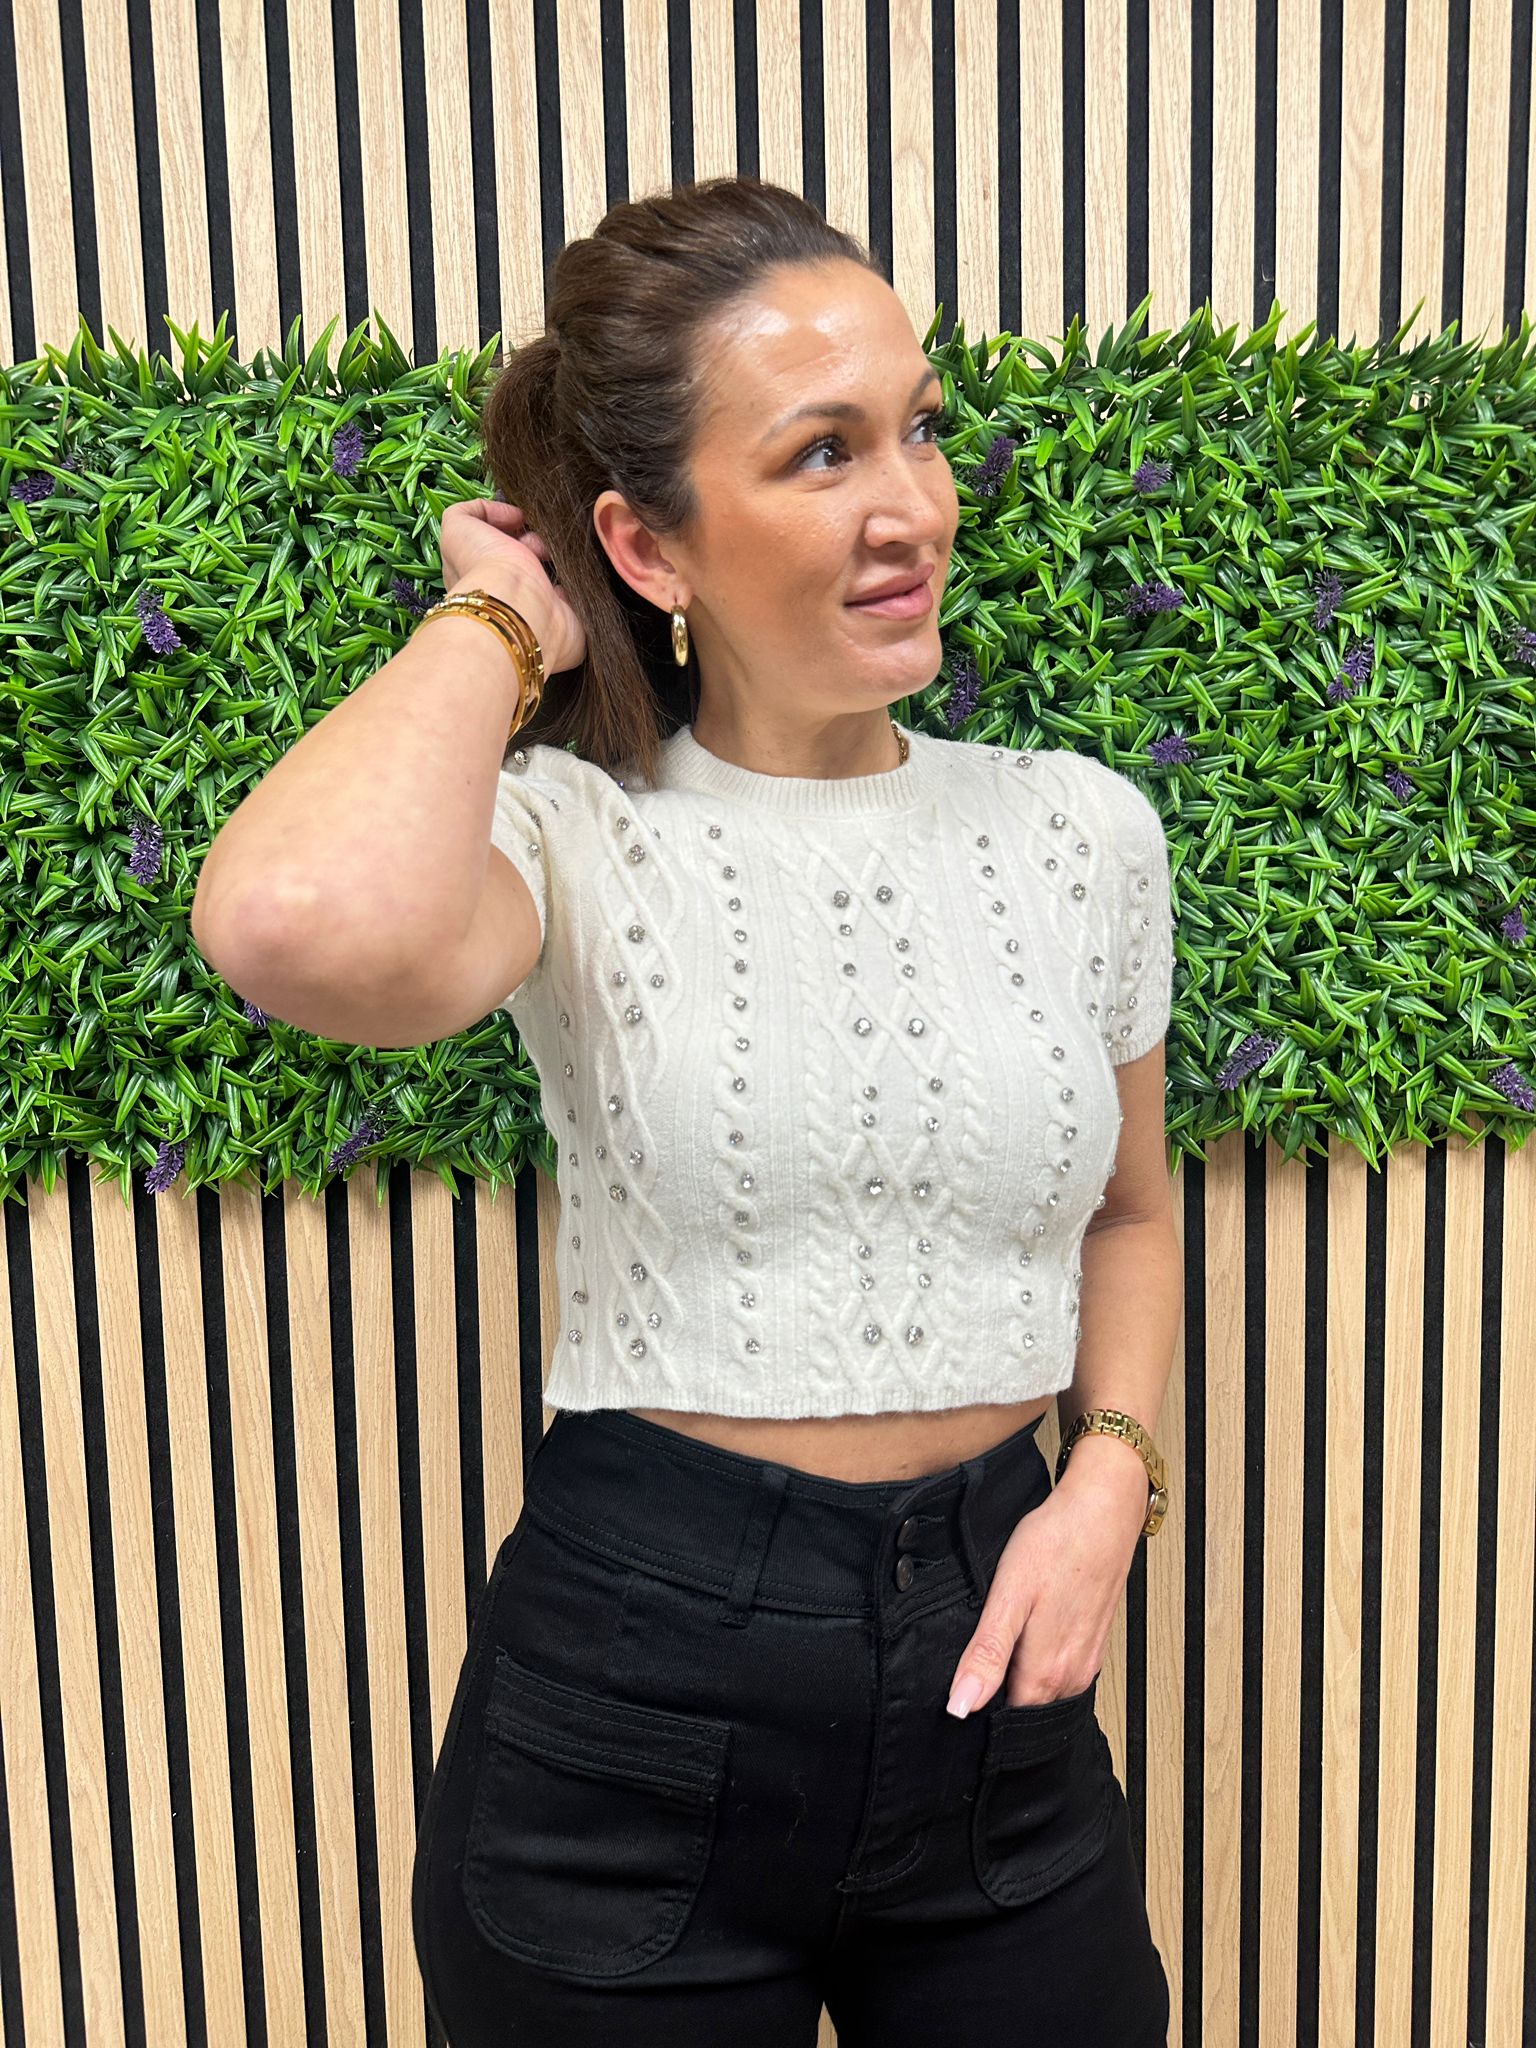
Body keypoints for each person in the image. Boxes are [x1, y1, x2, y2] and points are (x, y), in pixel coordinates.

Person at [192, 174, 1179, 2046]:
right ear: (651, 546)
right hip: (632, 1709)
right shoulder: (572, 837)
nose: (914, 507)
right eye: (823, 453)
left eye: (918, 429)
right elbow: (288, 923)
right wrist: (499, 620)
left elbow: (1129, 1210)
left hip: (1004, 1700)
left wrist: (1109, 1476)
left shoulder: (1080, 831)